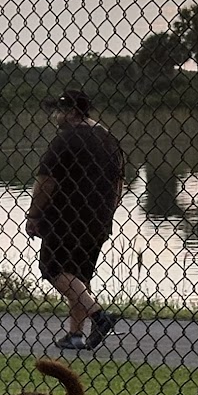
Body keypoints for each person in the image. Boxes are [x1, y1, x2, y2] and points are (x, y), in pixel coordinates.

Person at [25, 88, 126, 351]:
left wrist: (34, 214)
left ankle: (98, 315)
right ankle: (75, 335)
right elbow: (119, 183)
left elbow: (46, 183)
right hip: (99, 218)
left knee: (53, 269)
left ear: (71, 112)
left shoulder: (65, 140)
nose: (55, 116)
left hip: (65, 218)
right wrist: (108, 212)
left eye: (58, 111)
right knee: (79, 274)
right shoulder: (108, 139)